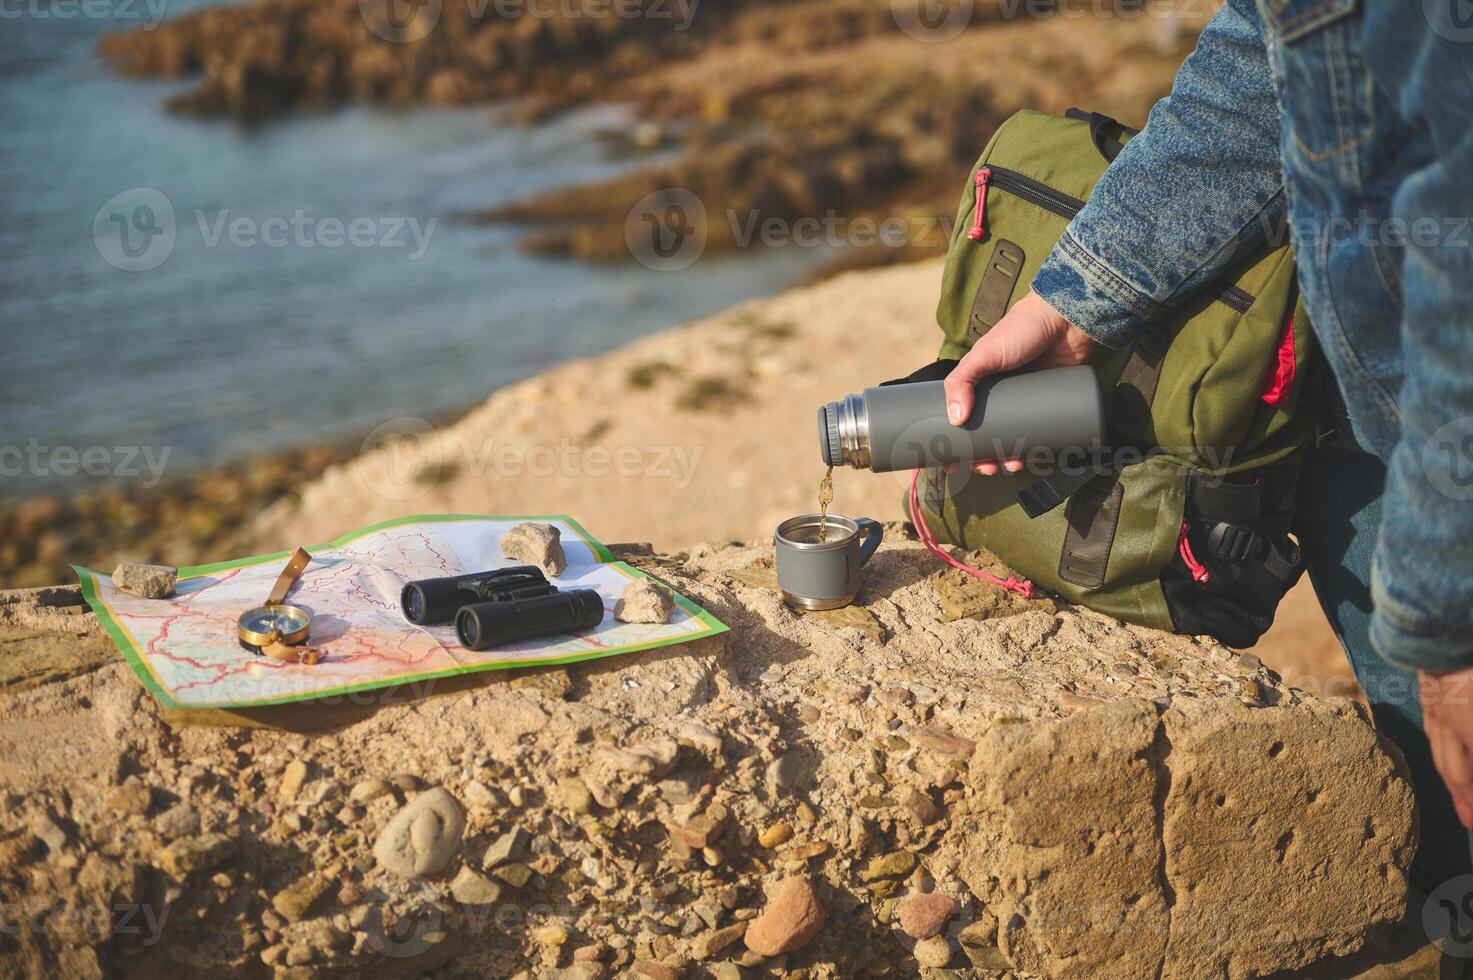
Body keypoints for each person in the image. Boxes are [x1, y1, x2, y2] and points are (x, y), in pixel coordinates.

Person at [941, 0, 1473, 892]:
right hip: (1375, 412)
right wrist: (1074, 305)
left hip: (1441, 441)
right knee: (1443, 799)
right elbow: (1263, 72)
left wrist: (1446, 615)